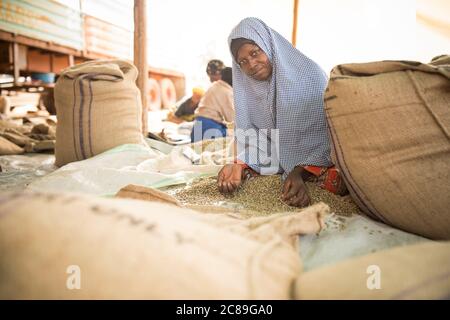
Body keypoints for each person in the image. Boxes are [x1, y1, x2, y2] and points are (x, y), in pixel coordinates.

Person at [217, 17, 346, 207]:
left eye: (255, 53)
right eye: (243, 61)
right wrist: (240, 164)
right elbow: (256, 140)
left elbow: (324, 137)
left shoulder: (309, 75)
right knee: (240, 174)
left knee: (336, 182)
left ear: (268, 45)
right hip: (278, 157)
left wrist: (298, 172)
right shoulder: (249, 93)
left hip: (317, 159)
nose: (251, 64)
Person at [190, 67, 235, 142]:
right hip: (210, 127)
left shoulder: (213, 86)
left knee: (195, 151)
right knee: (234, 139)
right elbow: (231, 118)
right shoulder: (227, 92)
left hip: (197, 125)